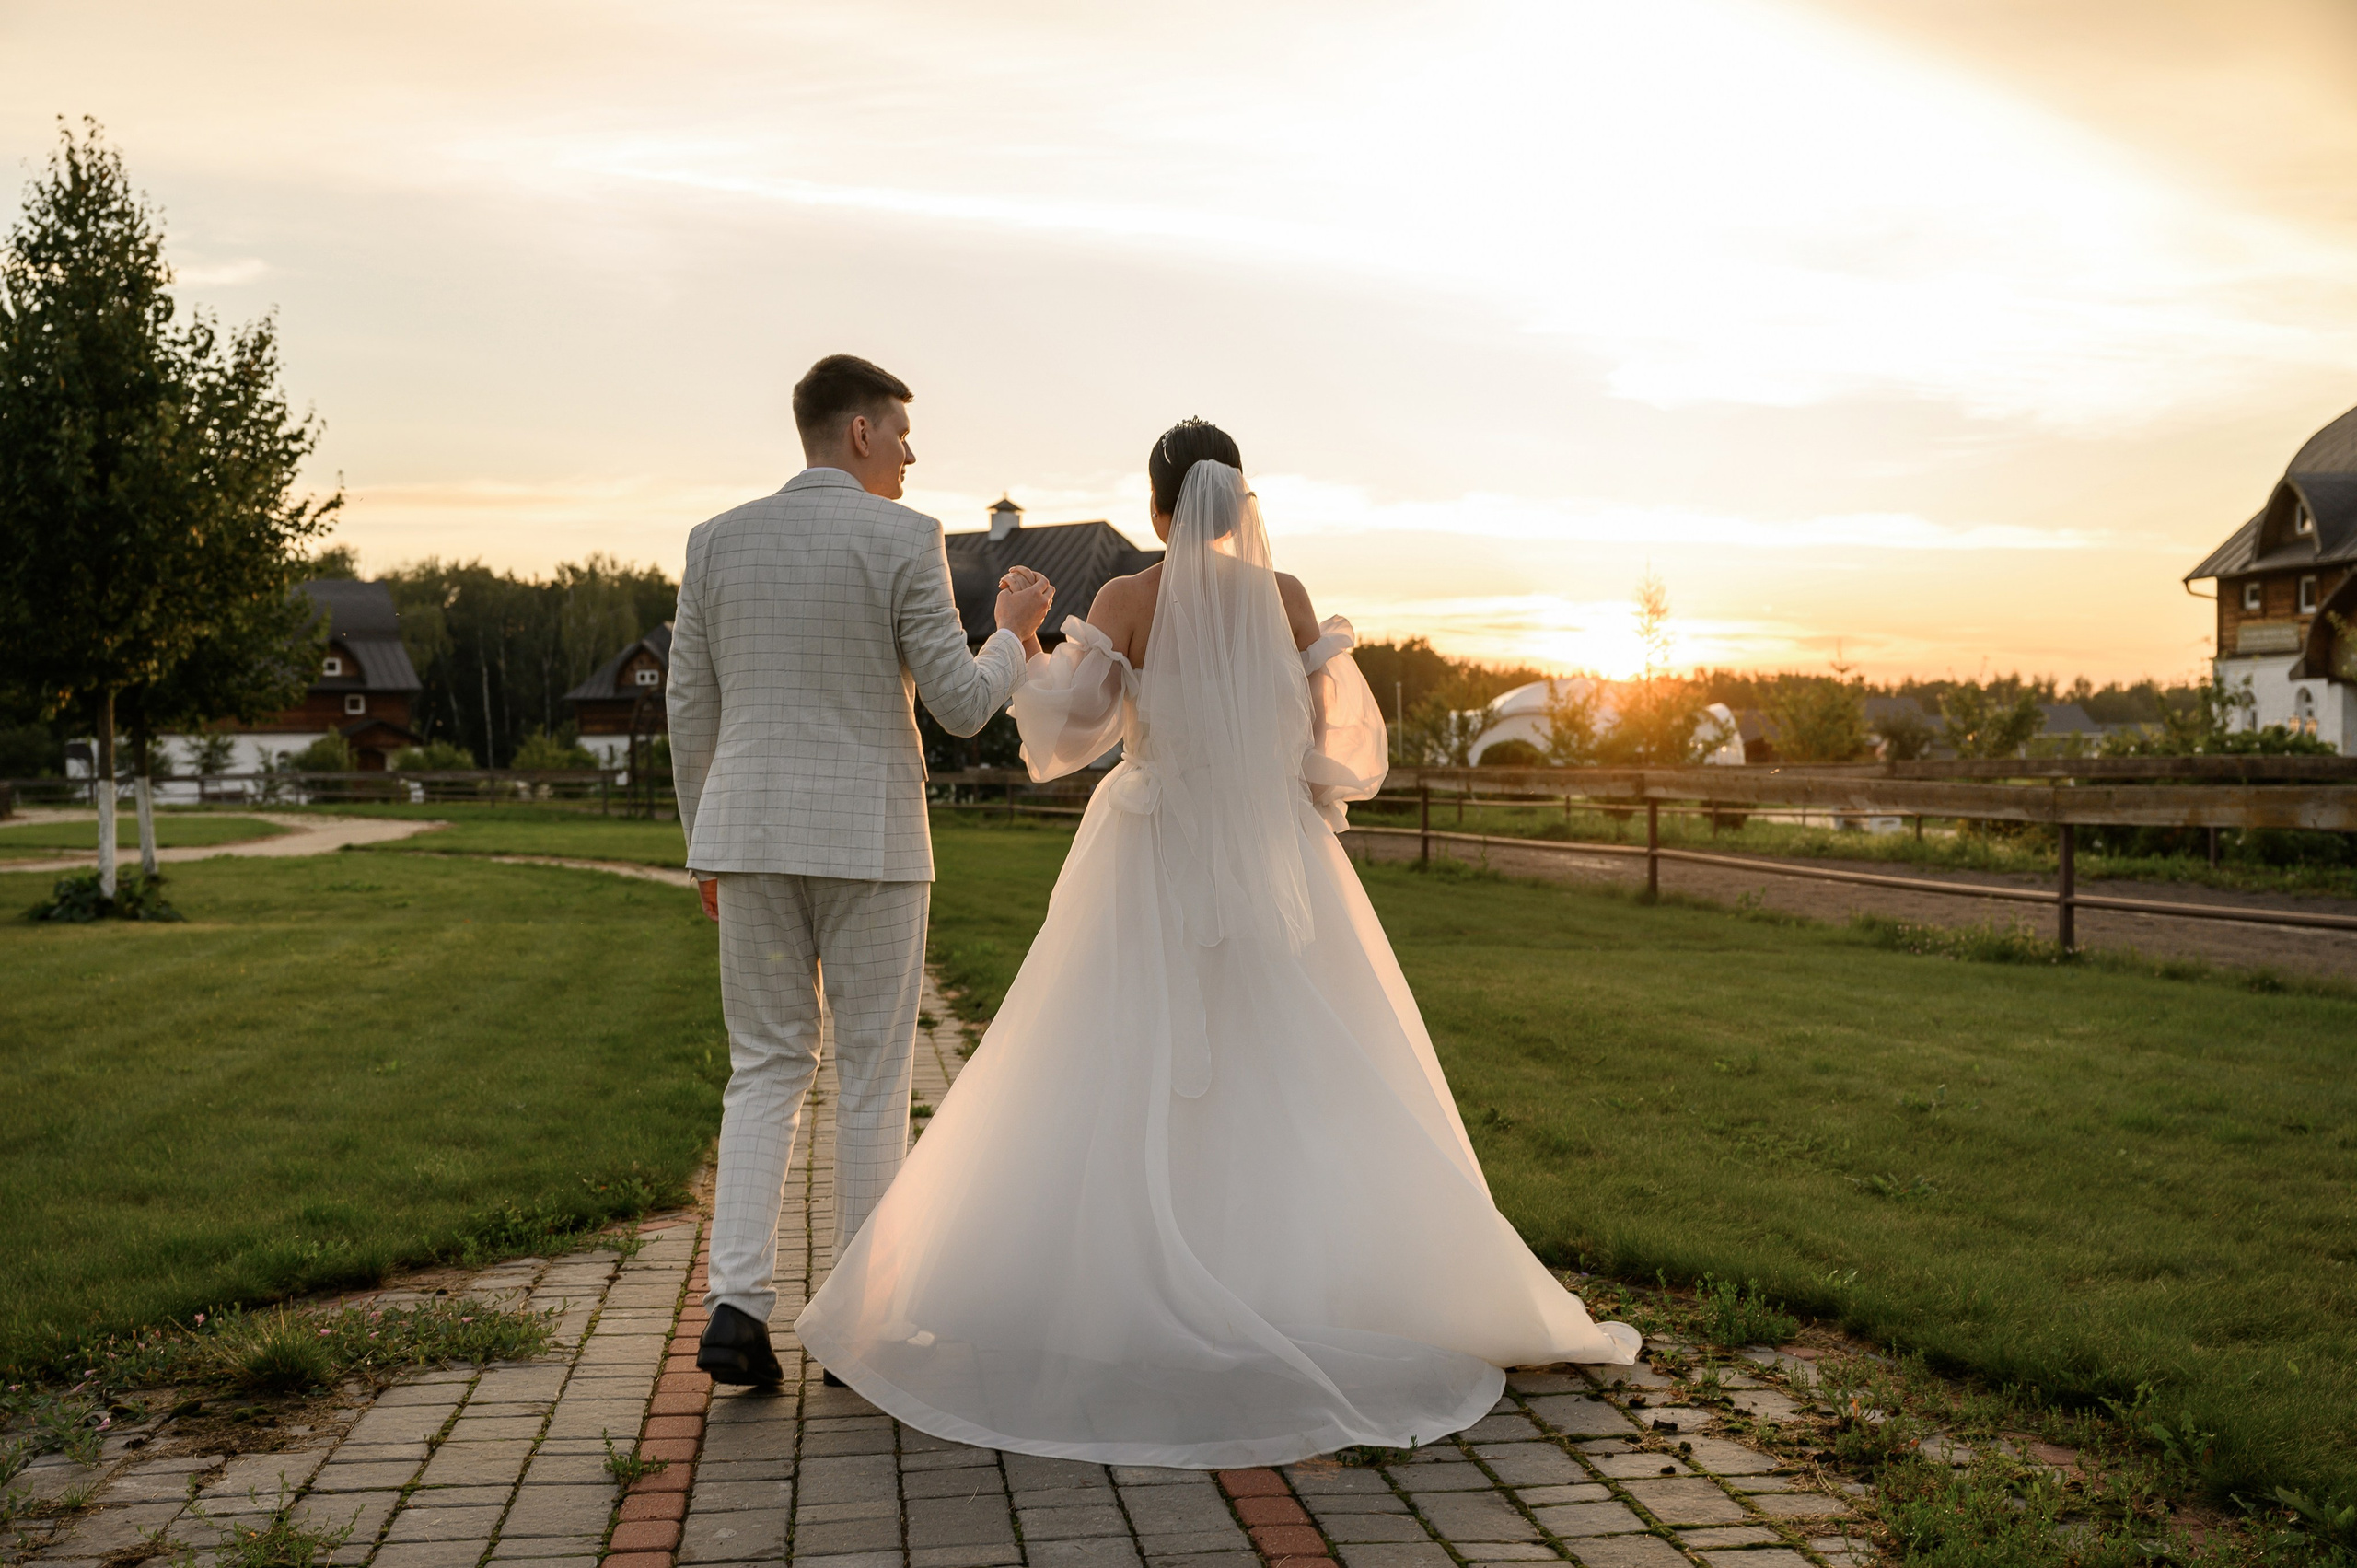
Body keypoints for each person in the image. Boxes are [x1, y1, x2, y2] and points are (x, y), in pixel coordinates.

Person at [795, 418, 1637, 1467]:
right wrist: (1284, 801)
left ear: (1157, 507)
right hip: (1274, 856)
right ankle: (1296, 1273)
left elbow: (1072, 729)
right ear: (1241, 505)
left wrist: (1023, 645)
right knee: (1291, 1062)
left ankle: (1120, 1284)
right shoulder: (1282, 602)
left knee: (1118, 1058)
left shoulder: (1125, 601)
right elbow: (1335, 741)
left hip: (1152, 852)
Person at [668, 354, 1057, 1385]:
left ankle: (736, 1308)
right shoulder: (902, 535)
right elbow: (963, 704)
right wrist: (1013, 634)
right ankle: (858, 1325)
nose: (911, 455)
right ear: (859, 434)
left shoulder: (714, 542)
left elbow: (688, 707)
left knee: (766, 1066)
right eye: (901, 433)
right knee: (874, 1075)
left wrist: (703, 841)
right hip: (871, 839)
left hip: (745, 836)